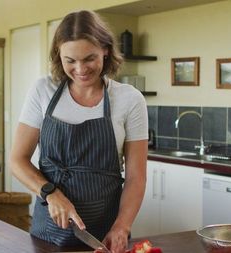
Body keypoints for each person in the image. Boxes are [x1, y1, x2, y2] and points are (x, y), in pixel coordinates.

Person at [10, 10, 148, 253]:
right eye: (70, 60)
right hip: (47, 234)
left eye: (89, 58)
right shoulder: (43, 90)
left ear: (105, 50)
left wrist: (122, 226)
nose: (80, 69)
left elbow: (137, 177)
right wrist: (50, 193)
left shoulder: (129, 99)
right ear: (58, 56)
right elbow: (17, 160)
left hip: (105, 236)